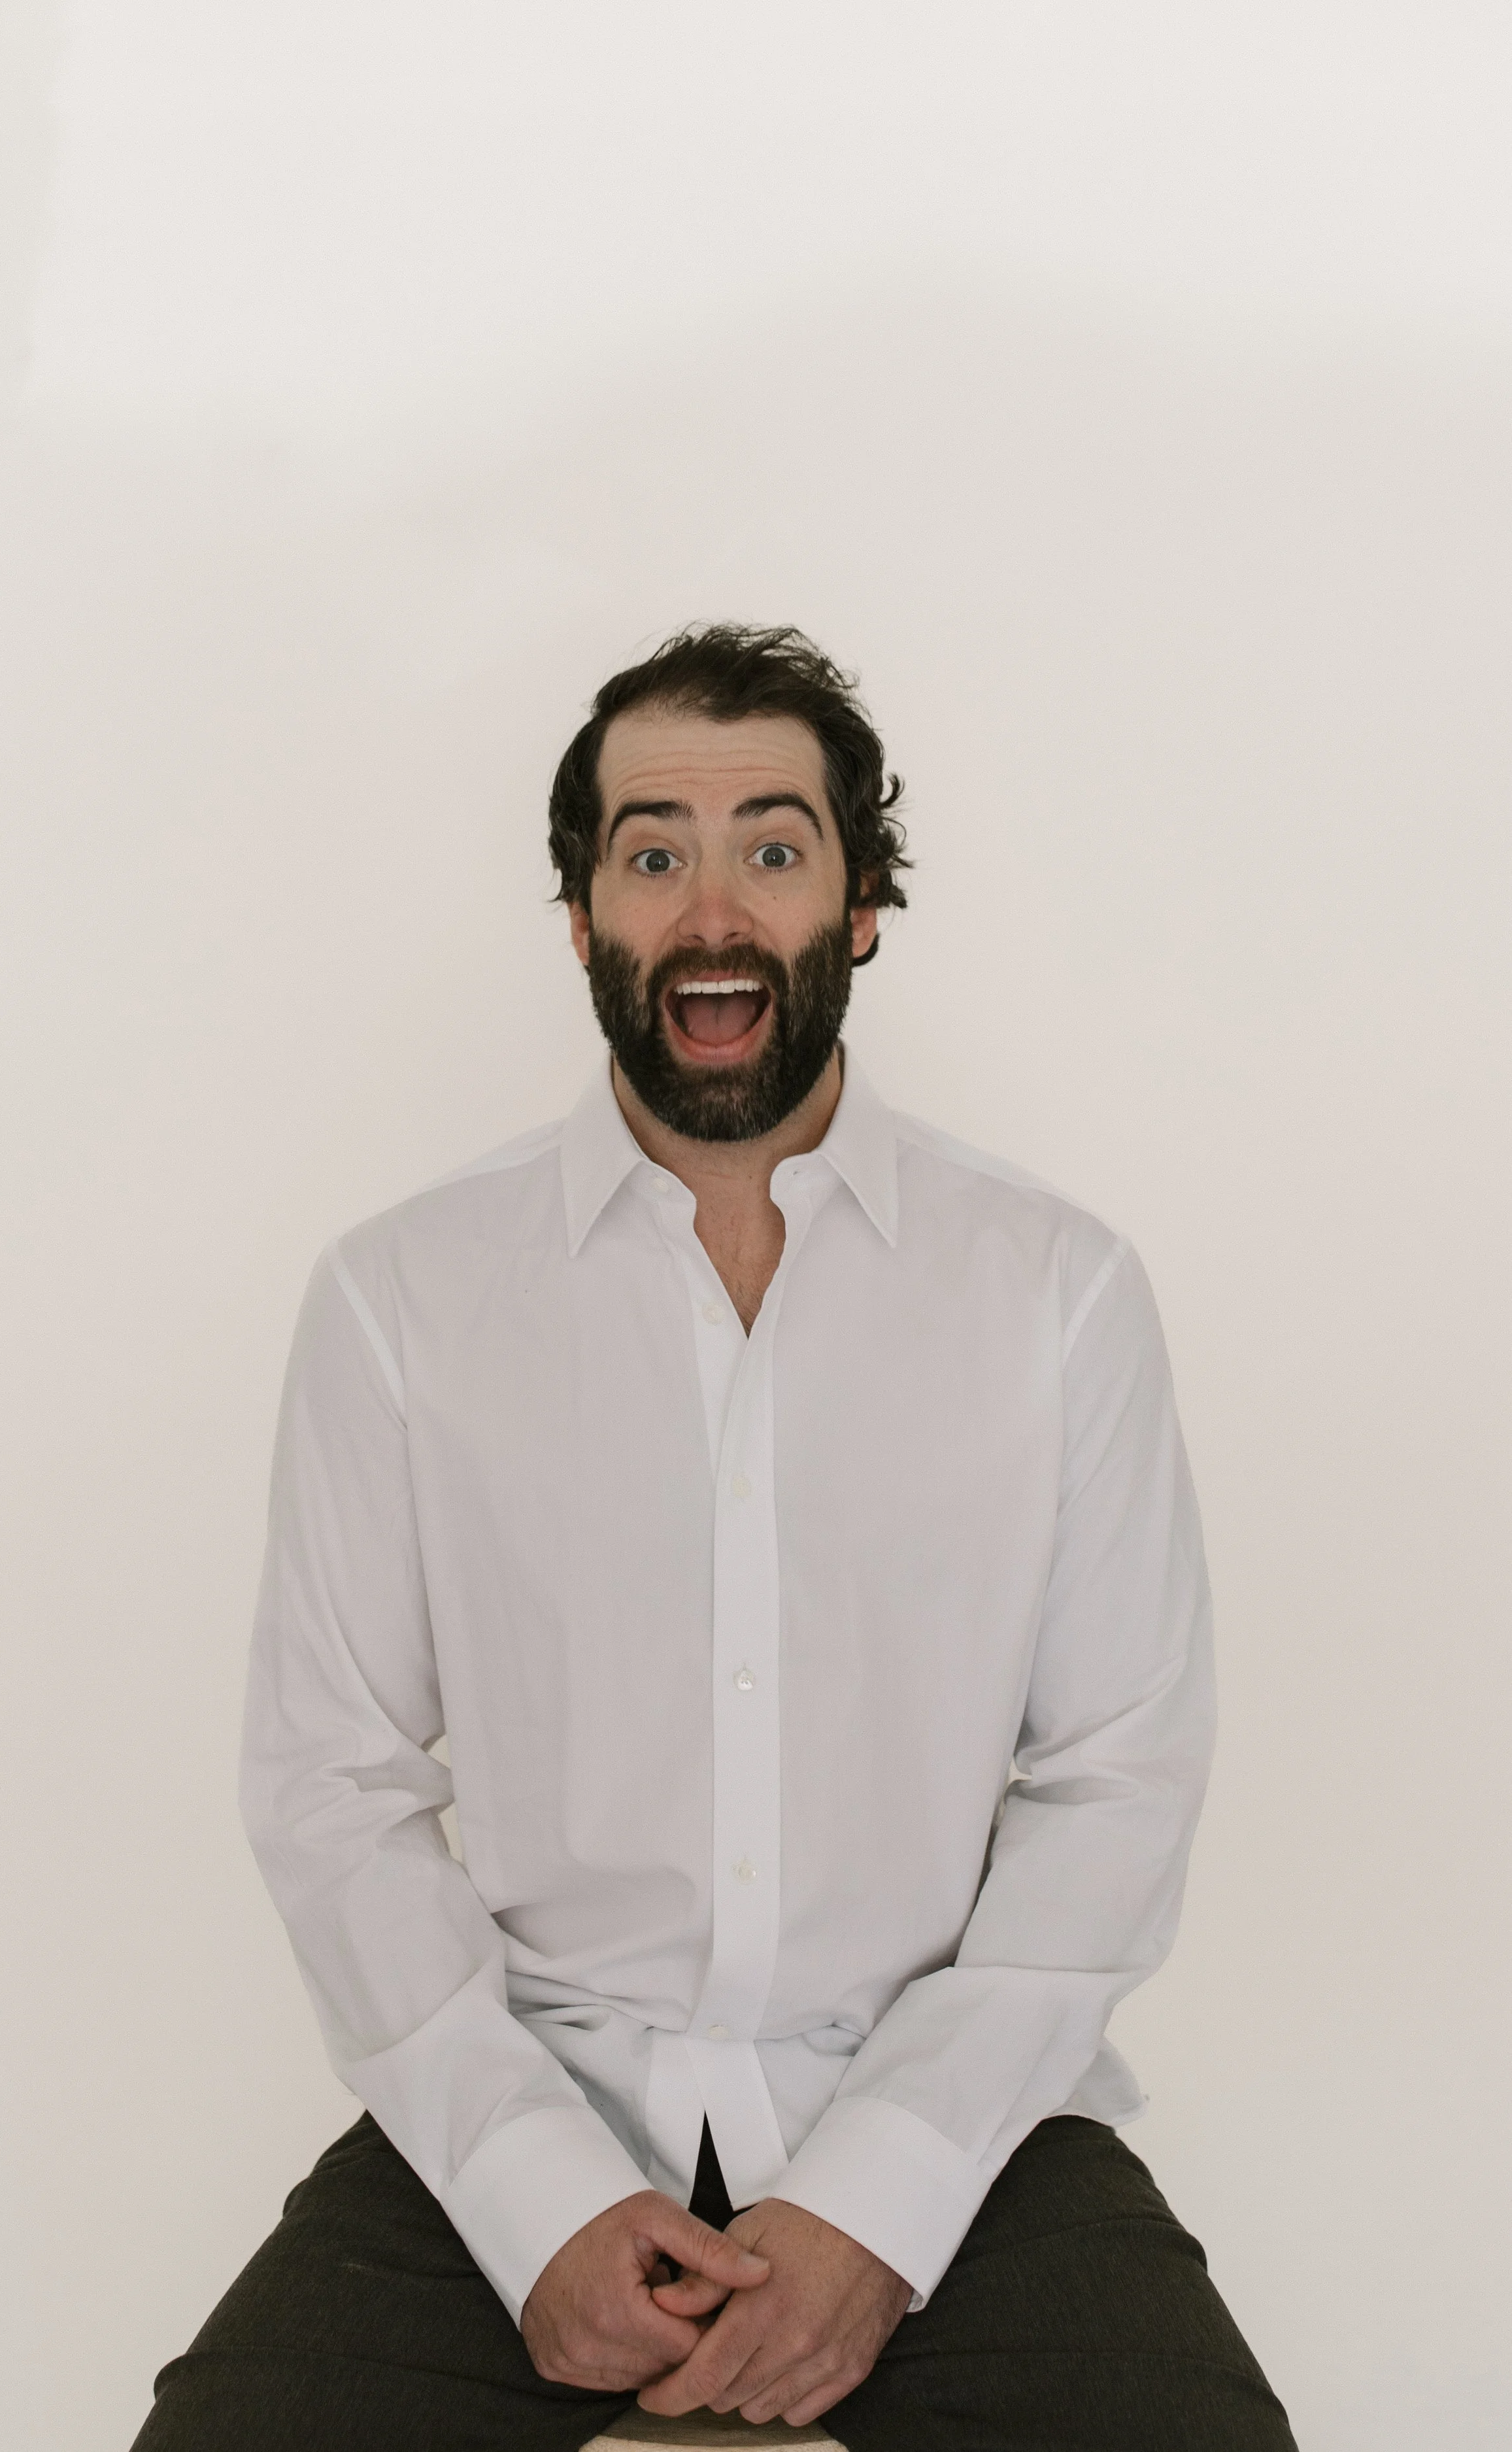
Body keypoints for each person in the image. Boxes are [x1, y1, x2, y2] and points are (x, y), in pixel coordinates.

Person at [134, 626, 1296, 2449]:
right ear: (584, 916)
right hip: (532, 2099)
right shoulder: (402, 1297)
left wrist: (877, 2201)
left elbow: (1117, 1774)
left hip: (949, 2123)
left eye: (773, 843)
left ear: (859, 908)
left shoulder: (1052, 1291)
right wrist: (534, 2199)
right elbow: (331, 1778)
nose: (711, 905)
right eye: (650, 851)